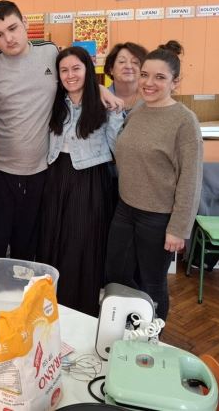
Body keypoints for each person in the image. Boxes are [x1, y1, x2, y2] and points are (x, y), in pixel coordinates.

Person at [0, 0, 122, 262]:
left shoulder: (50, 52)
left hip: (41, 170)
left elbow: (74, 75)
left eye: (13, 28)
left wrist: (99, 88)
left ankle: (25, 289)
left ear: (25, 24)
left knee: (28, 244)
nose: (8, 39)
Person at [105, 41, 203, 322]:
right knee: (117, 274)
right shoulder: (138, 110)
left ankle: (152, 336)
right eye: (145, 75)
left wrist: (178, 229)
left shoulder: (184, 121)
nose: (149, 83)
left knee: (152, 282)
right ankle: (129, 326)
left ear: (175, 82)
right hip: (126, 209)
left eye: (160, 77)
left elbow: (191, 179)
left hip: (158, 217)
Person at [38, 47, 124, 316]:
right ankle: (52, 307)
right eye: (64, 70)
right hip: (56, 176)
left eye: (76, 68)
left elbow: (118, 148)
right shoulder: (55, 102)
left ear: (88, 70)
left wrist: (113, 108)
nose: (70, 75)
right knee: (52, 240)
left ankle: (81, 310)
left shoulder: (105, 105)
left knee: (82, 244)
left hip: (90, 180)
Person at [104, 42, 148, 115]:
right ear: (111, 69)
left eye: (135, 62)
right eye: (122, 62)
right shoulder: (100, 98)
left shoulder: (151, 99)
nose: (128, 66)